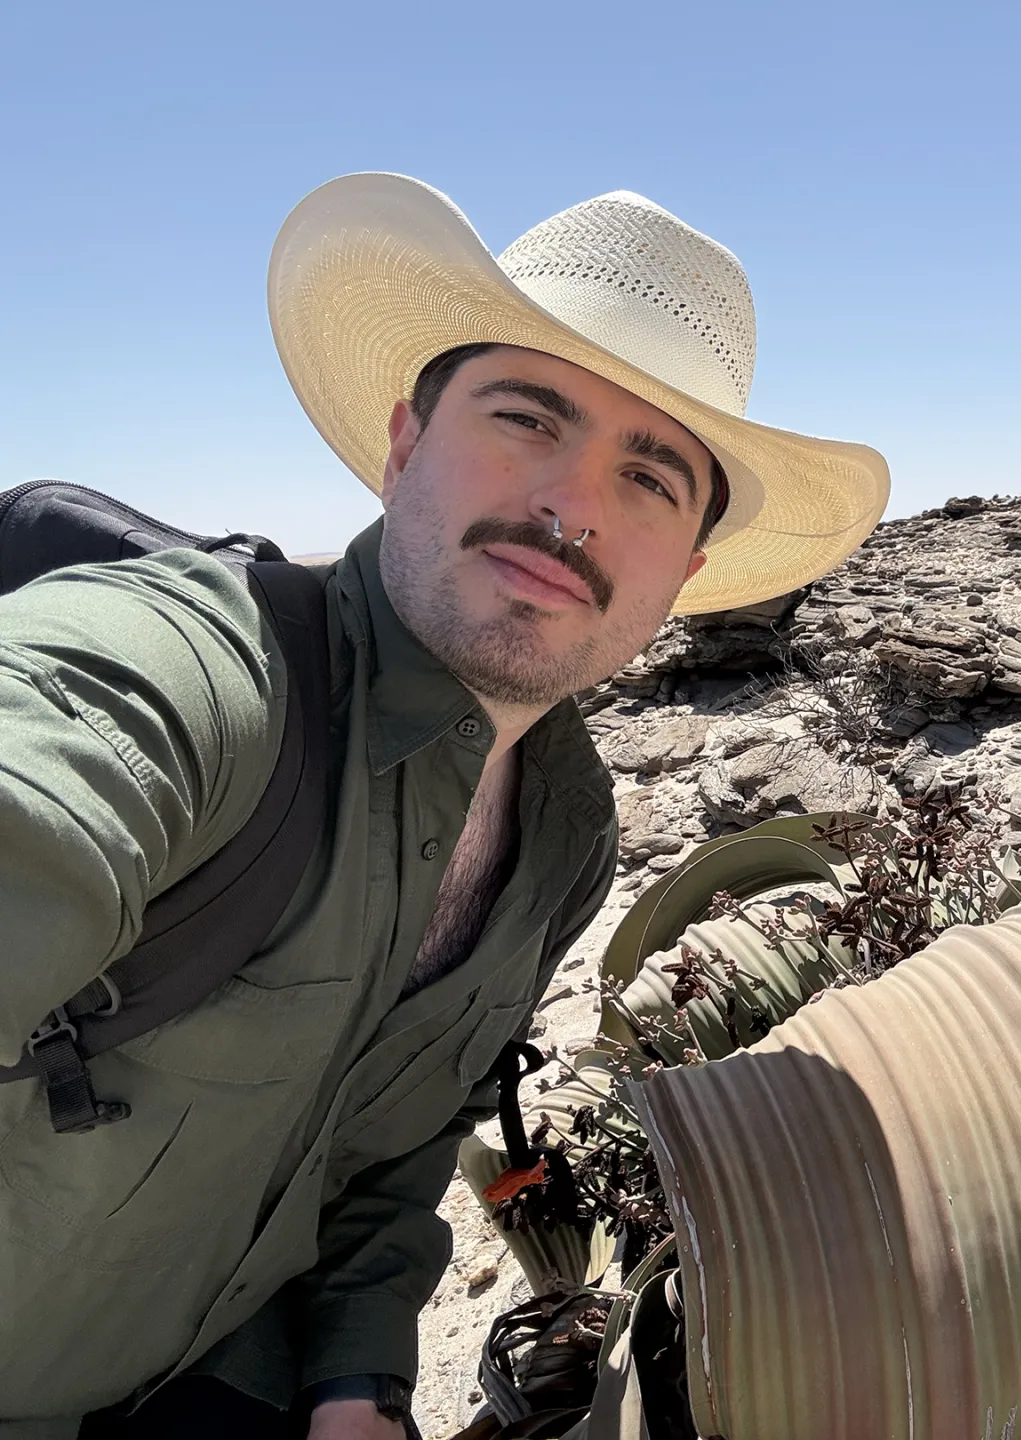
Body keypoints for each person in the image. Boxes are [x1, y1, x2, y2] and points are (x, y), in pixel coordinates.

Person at [0, 172, 889, 1440]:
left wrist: (355, 1382)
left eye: (650, 478)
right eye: (528, 416)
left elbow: (390, 1147)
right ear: (405, 444)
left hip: (226, 1370)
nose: (575, 503)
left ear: (685, 570)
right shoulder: (190, 681)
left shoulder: (568, 830)